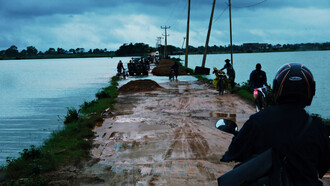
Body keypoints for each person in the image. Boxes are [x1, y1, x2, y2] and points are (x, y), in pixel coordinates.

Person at [221, 63, 330, 185]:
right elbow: (323, 166)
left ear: (277, 87)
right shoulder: (317, 128)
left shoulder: (258, 120)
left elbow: (234, 152)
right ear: (311, 90)